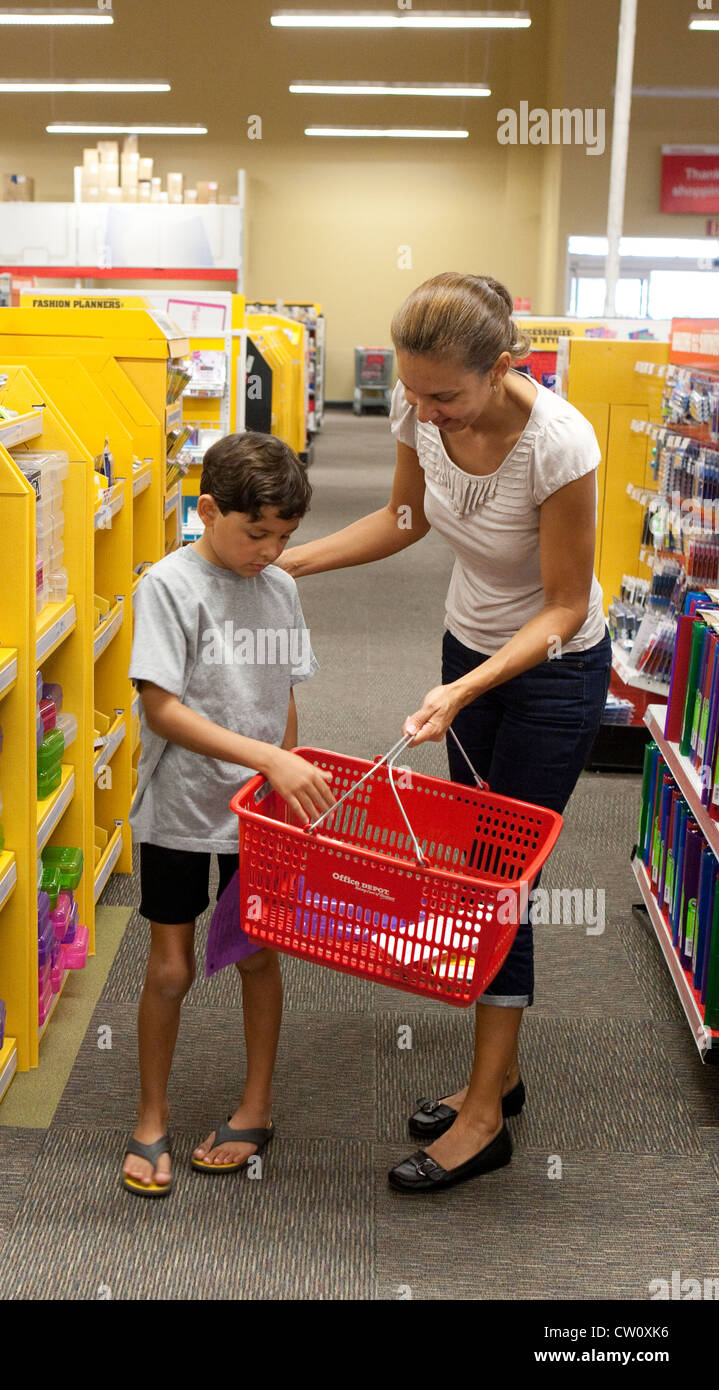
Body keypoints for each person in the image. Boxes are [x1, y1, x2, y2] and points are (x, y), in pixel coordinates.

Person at [278, 272, 611, 1193]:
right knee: (471, 864)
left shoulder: (558, 444)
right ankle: (496, 1075)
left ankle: (482, 1116)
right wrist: (285, 565)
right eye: (413, 393)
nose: (426, 413)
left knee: (499, 877)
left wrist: (465, 687)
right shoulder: (418, 408)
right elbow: (404, 517)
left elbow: (561, 606)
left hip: (548, 670)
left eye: (446, 398)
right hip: (467, 649)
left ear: (505, 368)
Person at [122, 431, 336, 1197]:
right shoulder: (167, 586)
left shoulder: (279, 587)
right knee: (171, 967)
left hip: (257, 817)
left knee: (256, 955)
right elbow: (162, 711)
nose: (270, 551)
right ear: (207, 509)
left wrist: (281, 781)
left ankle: (256, 1106)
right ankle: (151, 1118)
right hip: (181, 810)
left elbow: (281, 696)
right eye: (256, 533)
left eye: (284, 537)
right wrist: (268, 762)